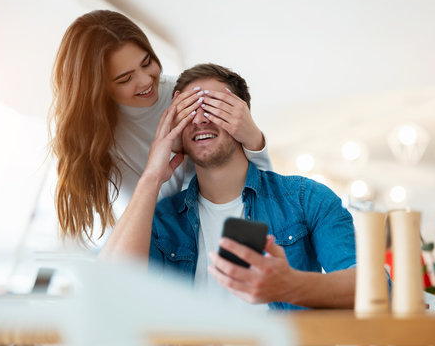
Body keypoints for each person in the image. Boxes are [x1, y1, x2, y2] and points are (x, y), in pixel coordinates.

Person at [101, 64, 359, 311]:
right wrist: (151, 177)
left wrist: (291, 286)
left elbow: (376, 287)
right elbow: (107, 294)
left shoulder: (307, 200)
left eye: (213, 107)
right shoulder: (159, 222)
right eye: (189, 110)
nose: (200, 119)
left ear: (242, 118)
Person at [50, 10, 271, 243]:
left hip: (235, 225)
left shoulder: (186, 92)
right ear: (97, 87)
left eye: (147, 63)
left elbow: (257, 184)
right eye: (125, 79)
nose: (146, 81)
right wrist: (174, 153)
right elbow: (153, 217)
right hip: (170, 246)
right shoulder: (101, 139)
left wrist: (254, 139)